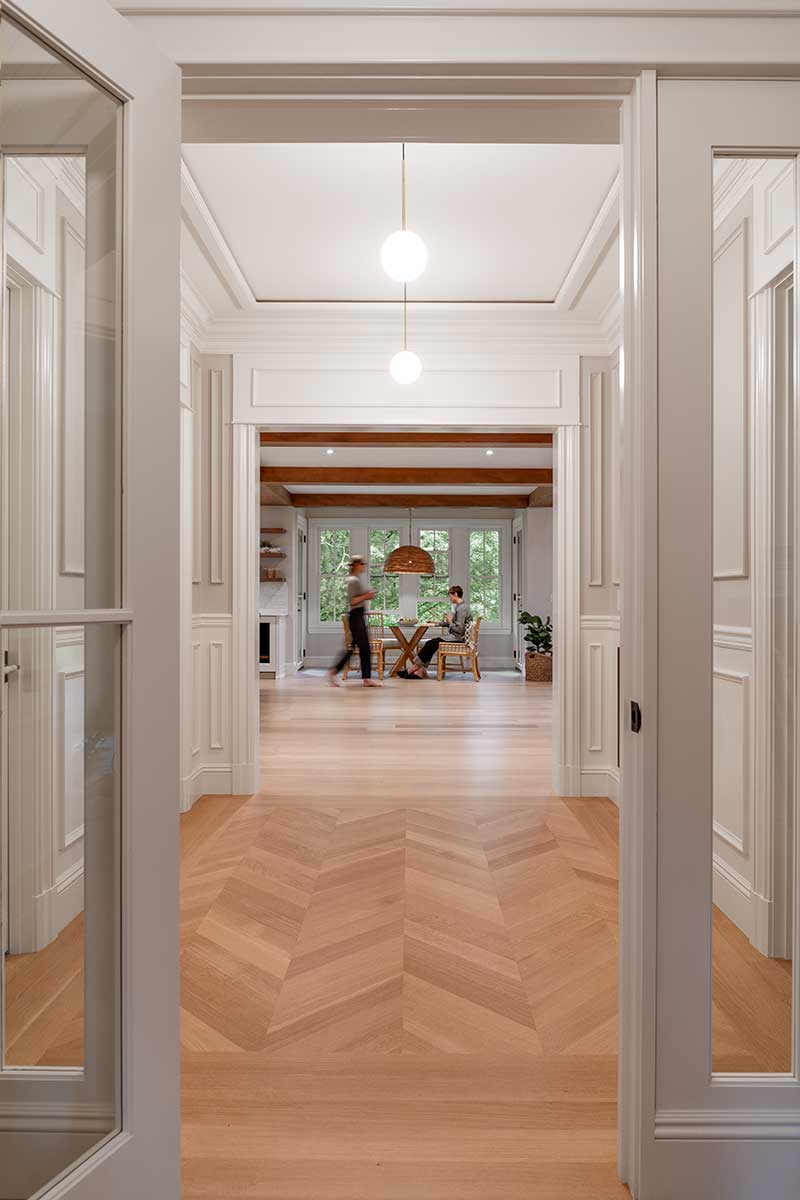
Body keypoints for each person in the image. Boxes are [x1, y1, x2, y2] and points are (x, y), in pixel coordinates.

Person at [399, 584, 472, 678]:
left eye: (450, 596)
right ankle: (419, 672)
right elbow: (454, 624)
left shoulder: (462, 609)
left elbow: (459, 629)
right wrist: (436, 623)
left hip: (458, 638)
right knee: (431, 644)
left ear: (456, 594)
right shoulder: (460, 607)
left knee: (431, 643)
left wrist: (449, 621)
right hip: (456, 636)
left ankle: (412, 669)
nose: (449, 598)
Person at [329, 556, 380, 687]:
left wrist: (366, 595)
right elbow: (352, 601)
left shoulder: (356, 579)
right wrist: (367, 596)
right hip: (356, 616)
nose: (364, 565)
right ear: (356, 565)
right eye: (362, 563)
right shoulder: (353, 580)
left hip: (358, 616)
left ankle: (336, 672)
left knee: (356, 648)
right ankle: (364, 678)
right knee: (363, 648)